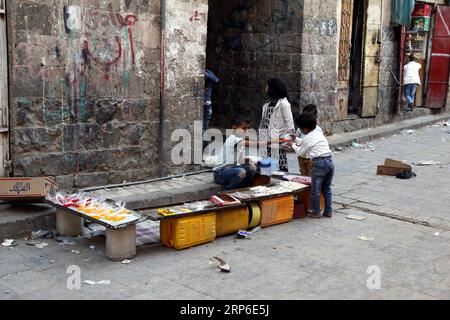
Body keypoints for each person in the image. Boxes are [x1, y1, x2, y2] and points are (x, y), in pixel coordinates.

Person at [289, 112, 334, 218]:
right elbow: (307, 142)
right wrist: (296, 139)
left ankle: (316, 211)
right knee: (327, 188)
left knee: (315, 189)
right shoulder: (318, 133)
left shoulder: (308, 137)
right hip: (330, 161)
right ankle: (328, 211)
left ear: (304, 129)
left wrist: (293, 145)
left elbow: (301, 152)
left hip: (319, 164)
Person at [259, 78, 295, 172]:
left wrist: (287, 141)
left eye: (267, 87)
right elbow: (263, 123)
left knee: (279, 171)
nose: (265, 89)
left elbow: (290, 125)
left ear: (272, 88)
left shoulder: (284, 104)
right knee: (266, 170)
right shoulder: (267, 104)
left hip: (277, 141)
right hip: (266, 141)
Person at [213, 115, 257, 190]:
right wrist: (271, 142)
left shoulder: (240, 140)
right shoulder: (232, 139)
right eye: (243, 128)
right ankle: (225, 193)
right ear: (234, 128)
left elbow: (240, 160)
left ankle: (243, 190)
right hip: (220, 173)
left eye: (247, 128)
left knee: (252, 167)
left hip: (232, 168)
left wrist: (246, 161)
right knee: (241, 171)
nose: (246, 131)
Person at [294, 104, 323, 176]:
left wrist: (293, 145)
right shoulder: (300, 129)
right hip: (301, 157)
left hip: (311, 158)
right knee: (303, 174)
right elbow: (297, 139)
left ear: (315, 117)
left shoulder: (318, 130)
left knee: (311, 175)